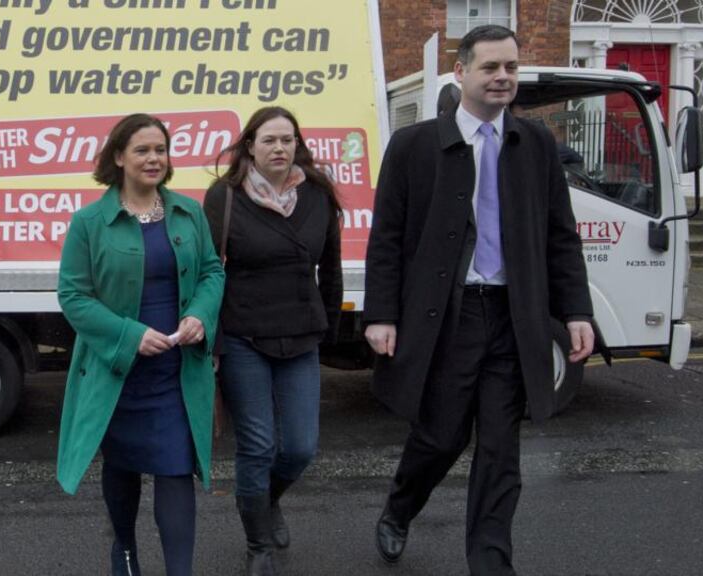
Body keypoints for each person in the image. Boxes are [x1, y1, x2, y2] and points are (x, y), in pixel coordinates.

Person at [364, 25, 595, 576]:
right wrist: (381, 315)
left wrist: (577, 310)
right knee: (441, 436)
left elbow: (561, 235)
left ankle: (491, 564)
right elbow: (387, 236)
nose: (503, 77)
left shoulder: (535, 144)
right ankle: (400, 506)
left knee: (499, 451)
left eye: (511, 67)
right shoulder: (416, 144)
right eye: (491, 67)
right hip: (448, 316)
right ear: (462, 72)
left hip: (514, 318)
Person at [56, 113, 224, 576]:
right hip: (117, 370)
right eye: (143, 150)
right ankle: (124, 547)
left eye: (160, 150)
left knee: (175, 467)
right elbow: (73, 295)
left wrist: (199, 315)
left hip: (176, 368)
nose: (154, 159)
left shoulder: (189, 212)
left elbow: (212, 271)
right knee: (123, 464)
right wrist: (129, 336)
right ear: (118, 157)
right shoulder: (90, 222)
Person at [203, 106, 343, 576]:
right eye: (269, 140)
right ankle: (258, 542)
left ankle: (268, 502)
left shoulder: (318, 194)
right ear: (250, 147)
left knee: (301, 447)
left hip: (303, 334)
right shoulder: (224, 198)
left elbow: (333, 268)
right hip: (243, 335)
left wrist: (333, 332)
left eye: (287, 140)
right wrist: (213, 342)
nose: (279, 148)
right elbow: (207, 273)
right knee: (258, 446)